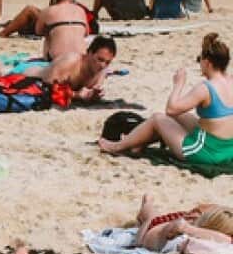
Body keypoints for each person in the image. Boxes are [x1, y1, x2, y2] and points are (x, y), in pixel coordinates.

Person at [99, 33, 233, 165]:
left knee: (158, 118)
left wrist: (178, 84)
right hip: (227, 149)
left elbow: (171, 109)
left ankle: (117, 147)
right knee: (181, 116)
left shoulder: (205, 88)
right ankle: (137, 143)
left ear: (208, 63)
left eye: (200, 59)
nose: (200, 64)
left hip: (207, 153)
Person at [0, 0, 90, 60]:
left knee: (48, 35)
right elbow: (86, 33)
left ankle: (4, 32)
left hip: (56, 58)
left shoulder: (47, 11)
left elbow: (39, 31)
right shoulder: (80, 10)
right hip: (81, 57)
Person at [132, 194, 233, 252]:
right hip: (153, 228)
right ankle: (148, 200)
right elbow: (179, 226)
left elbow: (228, 240)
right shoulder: (181, 229)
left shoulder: (202, 235)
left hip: (160, 232)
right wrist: (186, 228)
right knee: (149, 214)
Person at [37, 35, 117, 102]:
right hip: (35, 76)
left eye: (108, 62)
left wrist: (93, 96)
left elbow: (90, 93)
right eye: (100, 60)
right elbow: (46, 88)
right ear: (89, 53)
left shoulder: (102, 71)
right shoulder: (70, 62)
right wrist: (75, 95)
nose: (103, 65)